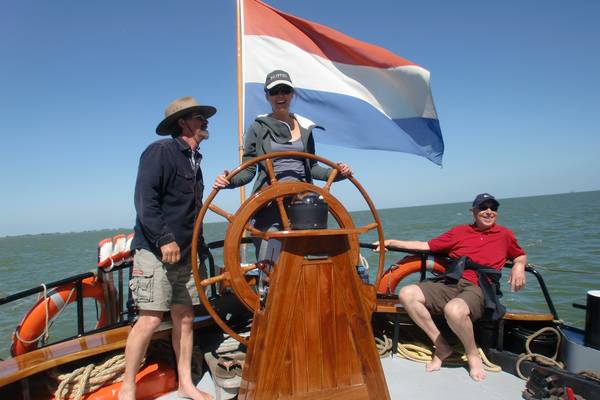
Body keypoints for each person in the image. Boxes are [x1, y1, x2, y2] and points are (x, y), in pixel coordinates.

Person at [119, 97, 215, 400]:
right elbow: (145, 201)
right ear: (183, 122)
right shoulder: (159, 152)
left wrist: (197, 247)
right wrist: (164, 239)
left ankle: (185, 383)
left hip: (185, 254)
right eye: (200, 117)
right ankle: (127, 388)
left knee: (185, 317)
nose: (206, 122)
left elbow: (192, 210)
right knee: (148, 319)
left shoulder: (195, 161)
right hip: (155, 251)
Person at [374, 193, 527, 382]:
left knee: (454, 310)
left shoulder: (505, 235)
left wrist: (519, 266)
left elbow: (519, 255)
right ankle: (442, 346)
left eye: (493, 208)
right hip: (451, 282)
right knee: (407, 294)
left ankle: (473, 355)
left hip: (480, 286)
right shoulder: (459, 232)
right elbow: (425, 246)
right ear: (474, 212)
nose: (489, 212)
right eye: (483, 208)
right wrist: (391, 242)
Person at [213, 70, 352, 259]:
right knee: (270, 265)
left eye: (285, 90)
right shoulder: (257, 128)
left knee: (308, 263)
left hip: (303, 205)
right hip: (269, 204)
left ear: (292, 94)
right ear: (267, 96)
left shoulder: (305, 128)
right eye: (275, 91)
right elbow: (249, 170)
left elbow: (312, 168)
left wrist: (338, 173)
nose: (280, 96)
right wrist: (228, 180)